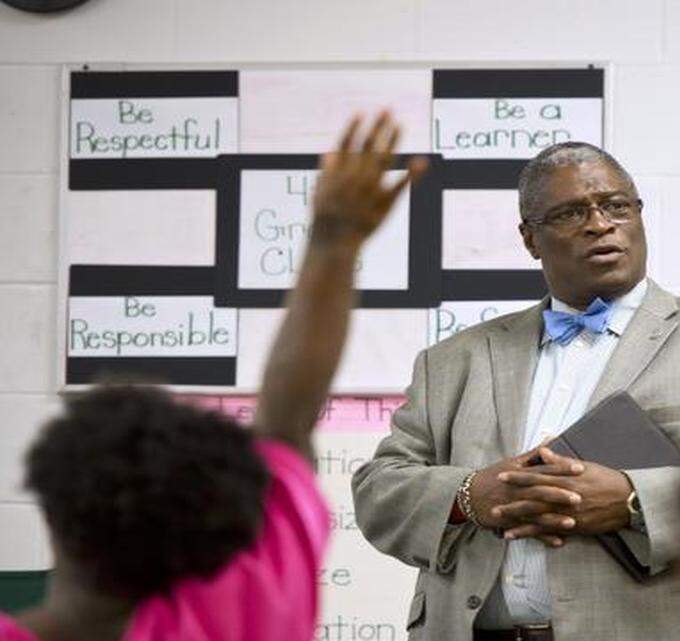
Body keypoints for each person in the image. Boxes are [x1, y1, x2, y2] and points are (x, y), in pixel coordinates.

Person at [351, 142, 680, 641]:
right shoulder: (453, 360)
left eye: (617, 206)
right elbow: (379, 490)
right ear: (530, 239)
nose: (599, 224)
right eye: (571, 212)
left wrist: (636, 500)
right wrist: (469, 496)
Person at [0, 111, 425, 641]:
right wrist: (333, 242)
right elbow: (286, 424)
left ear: (51, 508)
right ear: (212, 542)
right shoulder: (251, 608)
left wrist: (332, 242)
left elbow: (285, 425)